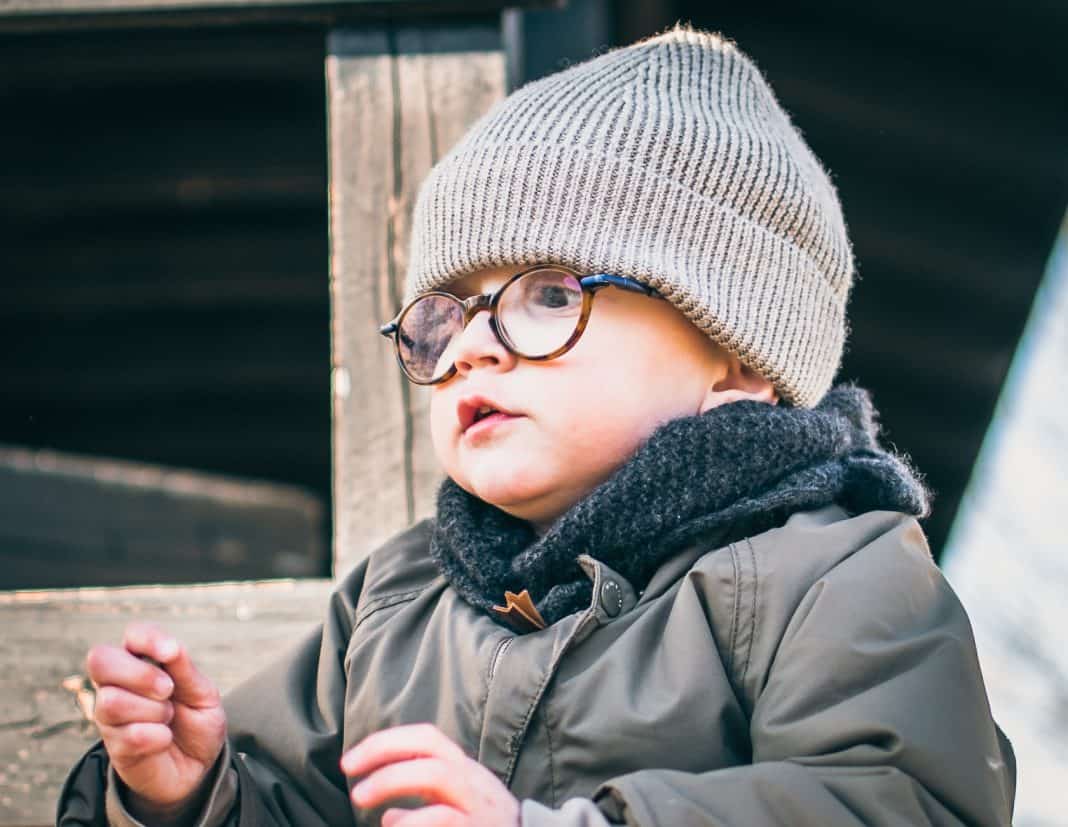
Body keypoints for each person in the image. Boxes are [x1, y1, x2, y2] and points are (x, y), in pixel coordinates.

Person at [57, 23, 1016, 827]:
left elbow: (902, 799)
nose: (471, 347)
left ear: (737, 361)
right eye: (446, 315)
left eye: (549, 294)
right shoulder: (396, 601)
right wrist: (189, 792)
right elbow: (292, 795)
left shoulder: (834, 573)